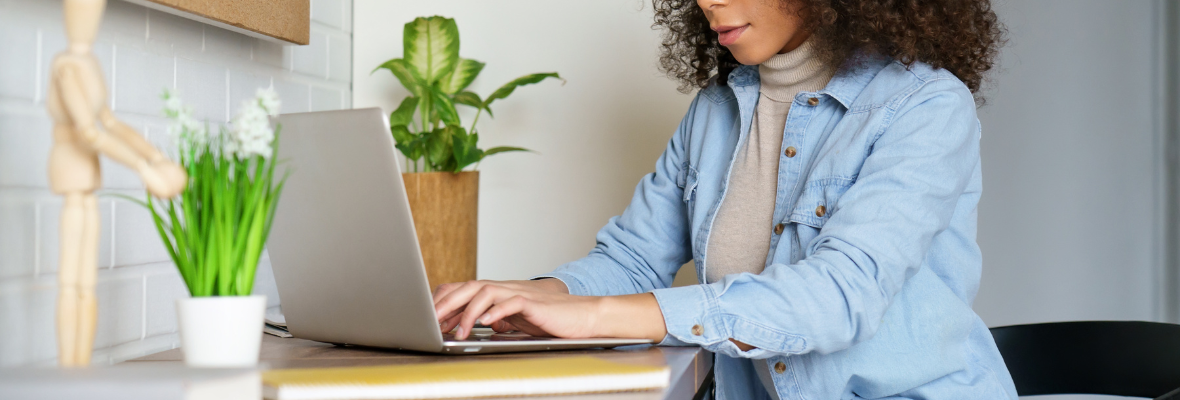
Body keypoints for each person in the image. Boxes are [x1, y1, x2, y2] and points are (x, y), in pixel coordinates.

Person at [433, 0, 1015, 398]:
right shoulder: (715, 111)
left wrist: (593, 317)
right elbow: (633, 259)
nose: (708, 0)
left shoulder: (926, 106)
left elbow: (840, 295)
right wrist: (524, 299)